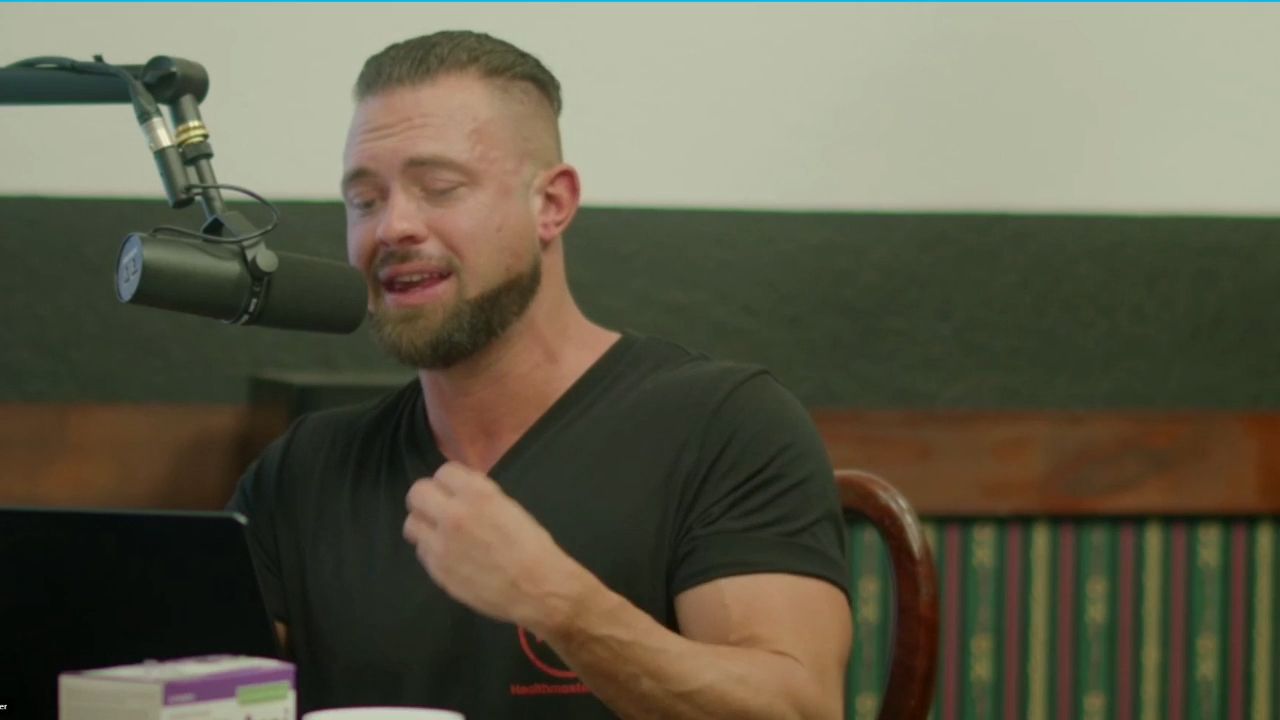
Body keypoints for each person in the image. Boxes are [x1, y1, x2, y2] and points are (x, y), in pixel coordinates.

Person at [229, 30, 851, 719]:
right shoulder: (306, 470)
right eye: (365, 200)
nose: (393, 227)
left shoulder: (723, 427)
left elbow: (798, 709)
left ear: (551, 204)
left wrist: (558, 603)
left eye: (440, 189)